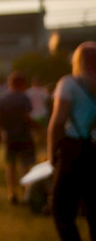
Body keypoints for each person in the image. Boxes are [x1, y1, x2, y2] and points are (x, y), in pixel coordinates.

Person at [47, 42, 96, 241]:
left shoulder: (69, 83)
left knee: (61, 210)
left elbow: (58, 122)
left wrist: (51, 154)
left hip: (74, 149)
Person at [0, 72, 36, 205]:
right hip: (24, 136)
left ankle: (12, 193)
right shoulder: (24, 98)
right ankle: (26, 193)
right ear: (21, 84)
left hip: (8, 137)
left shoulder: (2, 99)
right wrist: (39, 128)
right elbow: (27, 117)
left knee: (10, 166)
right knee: (25, 166)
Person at [26, 78, 50, 147]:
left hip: (32, 114)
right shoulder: (43, 91)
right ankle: (44, 144)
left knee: (33, 131)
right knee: (43, 130)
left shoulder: (28, 92)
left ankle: (35, 144)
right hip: (42, 113)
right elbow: (47, 100)